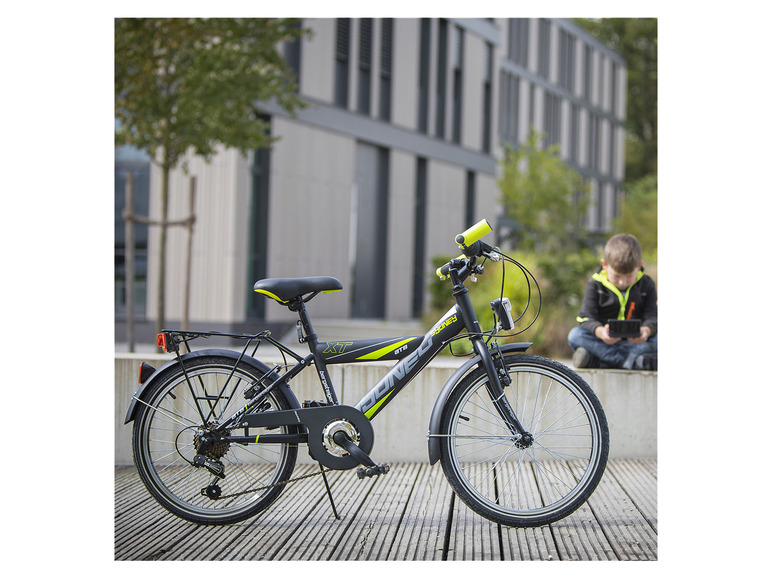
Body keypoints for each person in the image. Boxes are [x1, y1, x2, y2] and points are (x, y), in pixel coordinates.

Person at [568, 233, 657, 370]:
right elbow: (586, 317)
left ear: (639, 266)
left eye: (628, 277)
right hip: (604, 342)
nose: (622, 282)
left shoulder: (647, 284)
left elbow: (652, 316)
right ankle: (632, 361)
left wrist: (646, 331)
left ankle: (599, 361)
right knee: (575, 335)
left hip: (636, 344)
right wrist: (600, 332)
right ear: (605, 265)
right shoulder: (595, 284)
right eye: (617, 276)